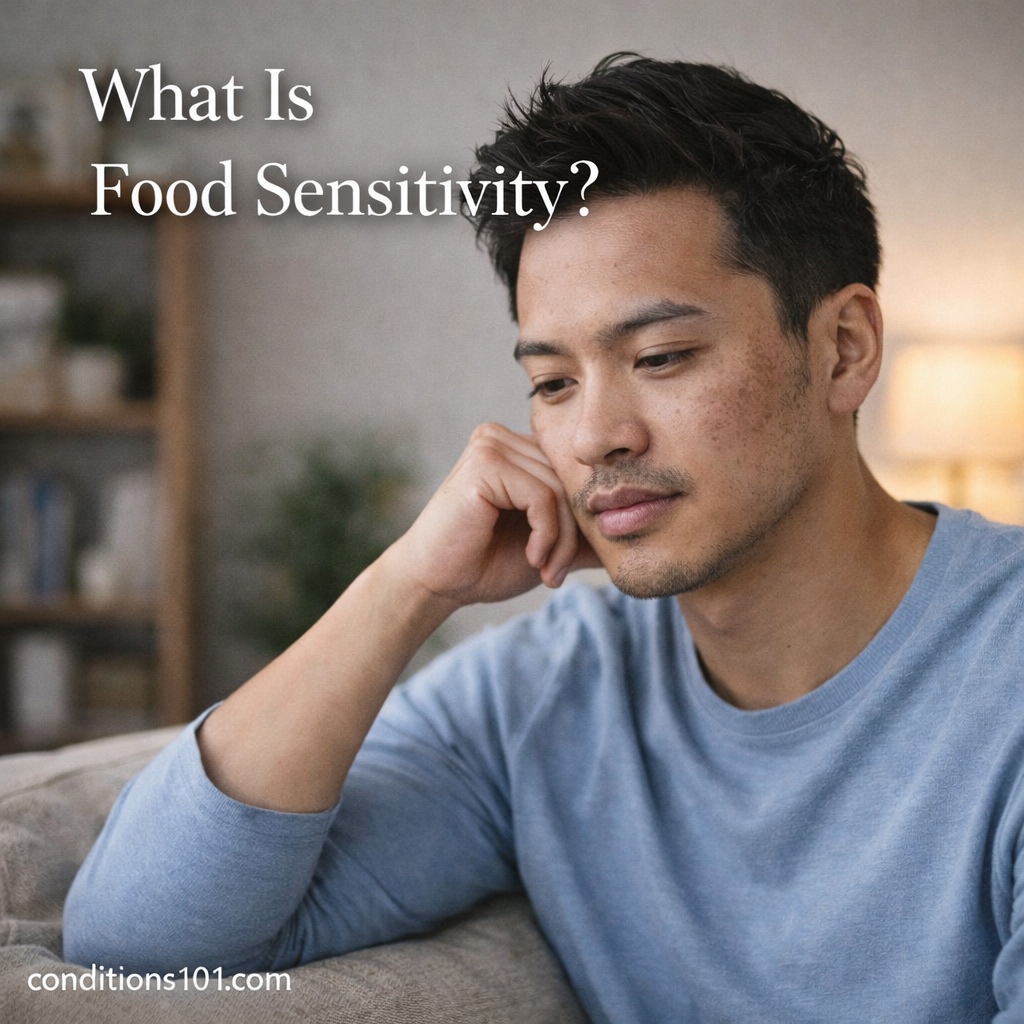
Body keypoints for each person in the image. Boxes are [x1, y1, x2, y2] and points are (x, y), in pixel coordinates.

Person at [63, 54, 1024, 1023]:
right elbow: (135, 939)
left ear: (843, 350)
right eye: (553, 382)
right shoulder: (541, 700)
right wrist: (405, 587)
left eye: (659, 357)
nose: (596, 435)